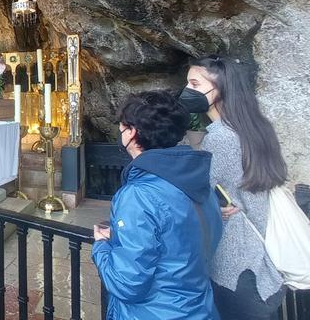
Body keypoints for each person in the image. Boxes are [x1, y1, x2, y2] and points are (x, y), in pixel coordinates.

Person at [92, 91, 222, 320]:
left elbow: (126, 283)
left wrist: (101, 246)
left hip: (153, 312)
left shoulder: (138, 195)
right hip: (199, 307)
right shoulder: (199, 181)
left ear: (131, 132)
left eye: (122, 127)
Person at [178, 56, 287, 319]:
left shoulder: (220, 137)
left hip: (235, 260)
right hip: (262, 257)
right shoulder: (256, 128)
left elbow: (197, 189)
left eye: (195, 83)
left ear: (221, 88)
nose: (188, 91)